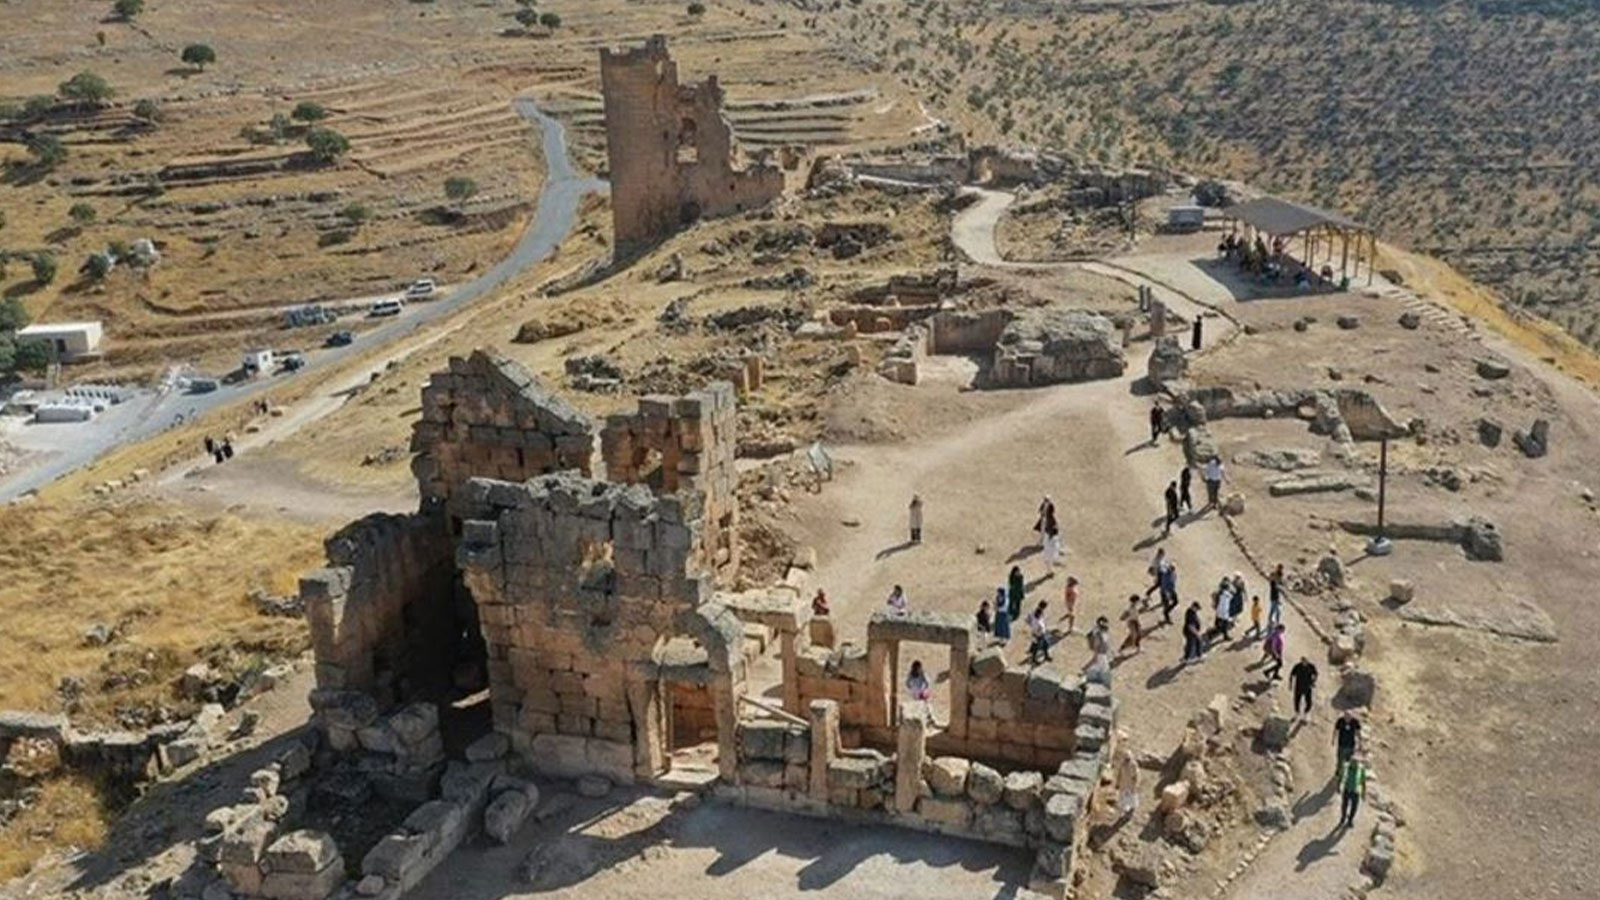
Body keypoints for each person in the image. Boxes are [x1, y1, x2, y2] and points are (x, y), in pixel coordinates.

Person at [1338, 752, 1369, 829]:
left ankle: (1350, 820)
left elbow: (1363, 781)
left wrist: (1363, 792)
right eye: (1353, 761)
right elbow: (1341, 776)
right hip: (1347, 789)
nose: (1355, 763)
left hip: (1355, 791)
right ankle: (1343, 817)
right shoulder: (1346, 767)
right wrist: (1338, 785)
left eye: (1356, 762)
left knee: (1354, 807)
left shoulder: (1361, 769)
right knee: (1344, 805)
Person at [1113, 738, 1140, 820]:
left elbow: (1137, 776)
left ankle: (1131, 811)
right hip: (1123, 784)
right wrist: (1117, 783)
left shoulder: (1133, 765)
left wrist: (1135, 785)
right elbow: (1119, 774)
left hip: (1131, 785)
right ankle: (1123, 811)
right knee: (1122, 799)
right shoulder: (1122, 765)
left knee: (1132, 798)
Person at [1334, 710, 1362, 779]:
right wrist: (1333, 739)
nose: (1347, 719)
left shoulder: (1355, 722)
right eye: (1346, 717)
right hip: (1341, 744)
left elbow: (1358, 732)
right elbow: (1336, 730)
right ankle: (1338, 772)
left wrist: (1360, 742)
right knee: (1340, 759)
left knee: (1349, 760)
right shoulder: (1340, 721)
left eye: (1348, 717)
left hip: (1351, 745)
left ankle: (1347, 774)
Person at [1158, 560, 1179, 624]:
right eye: (1172, 568)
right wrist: (1168, 594)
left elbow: (1174, 582)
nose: (1173, 570)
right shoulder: (1166, 575)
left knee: (1175, 602)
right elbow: (1165, 586)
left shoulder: (1173, 574)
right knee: (1167, 605)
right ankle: (1166, 617)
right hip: (1166, 592)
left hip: (1171, 590)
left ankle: (1166, 612)